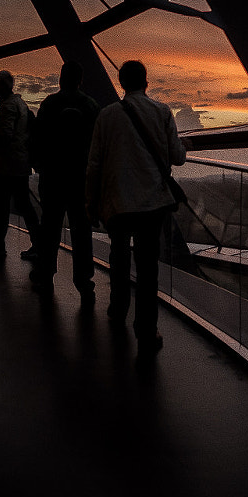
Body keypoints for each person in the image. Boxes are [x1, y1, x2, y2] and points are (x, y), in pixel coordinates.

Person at [86, 59, 185, 352]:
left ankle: (117, 309)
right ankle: (145, 328)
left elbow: (94, 164)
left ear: (121, 83)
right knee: (147, 267)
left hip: (117, 202)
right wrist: (185, 149)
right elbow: (177, 157)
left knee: (118, 258)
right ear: (146, 81)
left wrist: (91, 202)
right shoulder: (162, 112)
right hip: (152, 204)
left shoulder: (107, 116)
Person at [29, 62, 99, 302]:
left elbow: (37, 140)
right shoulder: (90, 106)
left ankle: (46, 276)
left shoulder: (49, 104)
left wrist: (41, 166)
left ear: (61, 79)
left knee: (49, 228)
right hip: (80, 179)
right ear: (80, 79)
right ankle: (84, 283)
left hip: (53, 177)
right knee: (82, 231)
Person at [0, 70, 41, 259]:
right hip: (19, 164)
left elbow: (5, 135)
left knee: (2, 206)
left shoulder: (7, 107)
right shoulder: (20, 103)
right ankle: (37, 244)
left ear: (2, 86)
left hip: (8, 165)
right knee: (24, 205)